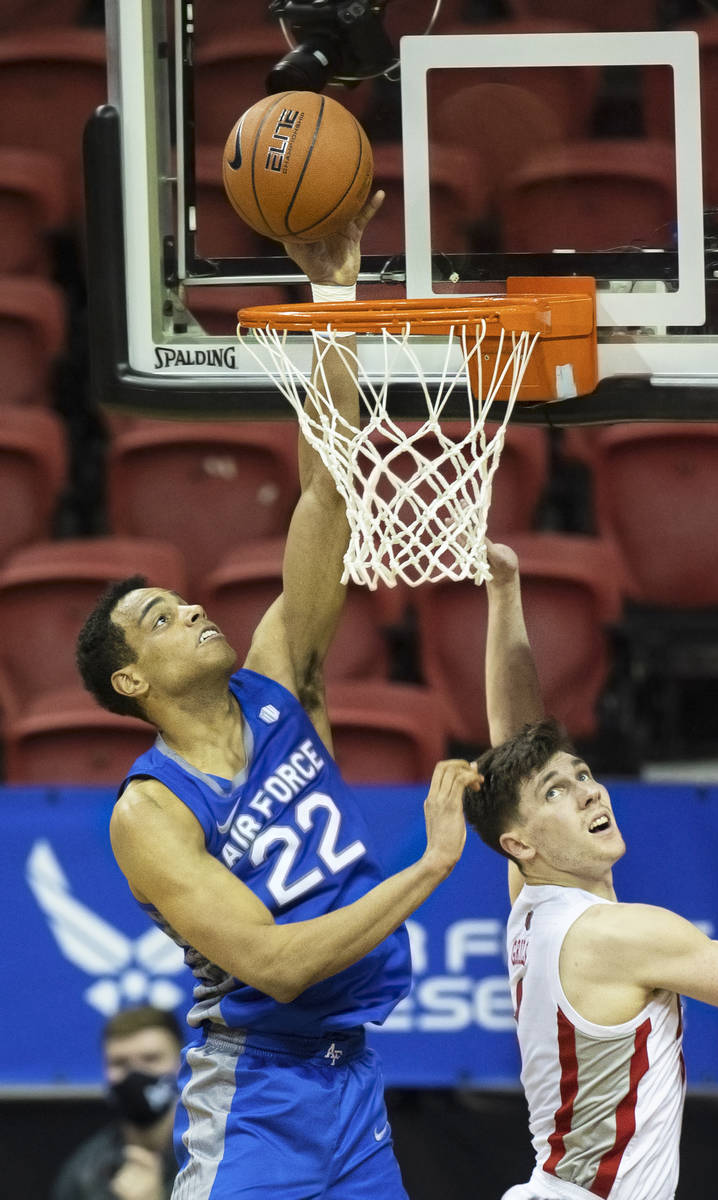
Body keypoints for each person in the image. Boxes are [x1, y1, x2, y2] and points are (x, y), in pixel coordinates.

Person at [75, 191, 481, 1200]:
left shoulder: (281, 677)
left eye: (186, 602)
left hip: (355, 1084)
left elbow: (326, 491)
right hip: (255, 1099)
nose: (193, 613)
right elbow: (274, 963)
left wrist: (333, 292)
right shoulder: (151, 810)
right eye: (160, 621)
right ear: (130, 682)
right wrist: (429, 865)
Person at [464, 543, 718, 1200]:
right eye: (558, 793)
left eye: (585, 776)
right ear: (521, 844)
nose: (591, 792)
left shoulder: (531, 898)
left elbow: (514, 744)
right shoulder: (616, 936)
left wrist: (504, 592)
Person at [51, 1005, 183, 1200]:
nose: (135, 1074)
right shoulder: (84, 1174)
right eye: (120, 1063)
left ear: (182, 1064)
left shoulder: (216, 1157)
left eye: (151, 1059)